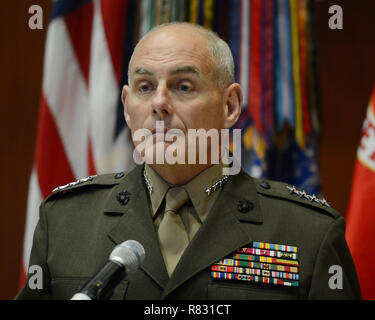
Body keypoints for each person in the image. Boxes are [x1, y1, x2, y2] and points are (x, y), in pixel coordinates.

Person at [16, 22, 361, 300]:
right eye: (145, 86)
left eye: (183, 87)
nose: (159, 103)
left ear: (230, 106)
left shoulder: (308, 233)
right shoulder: (64, 222)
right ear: (126, 107)